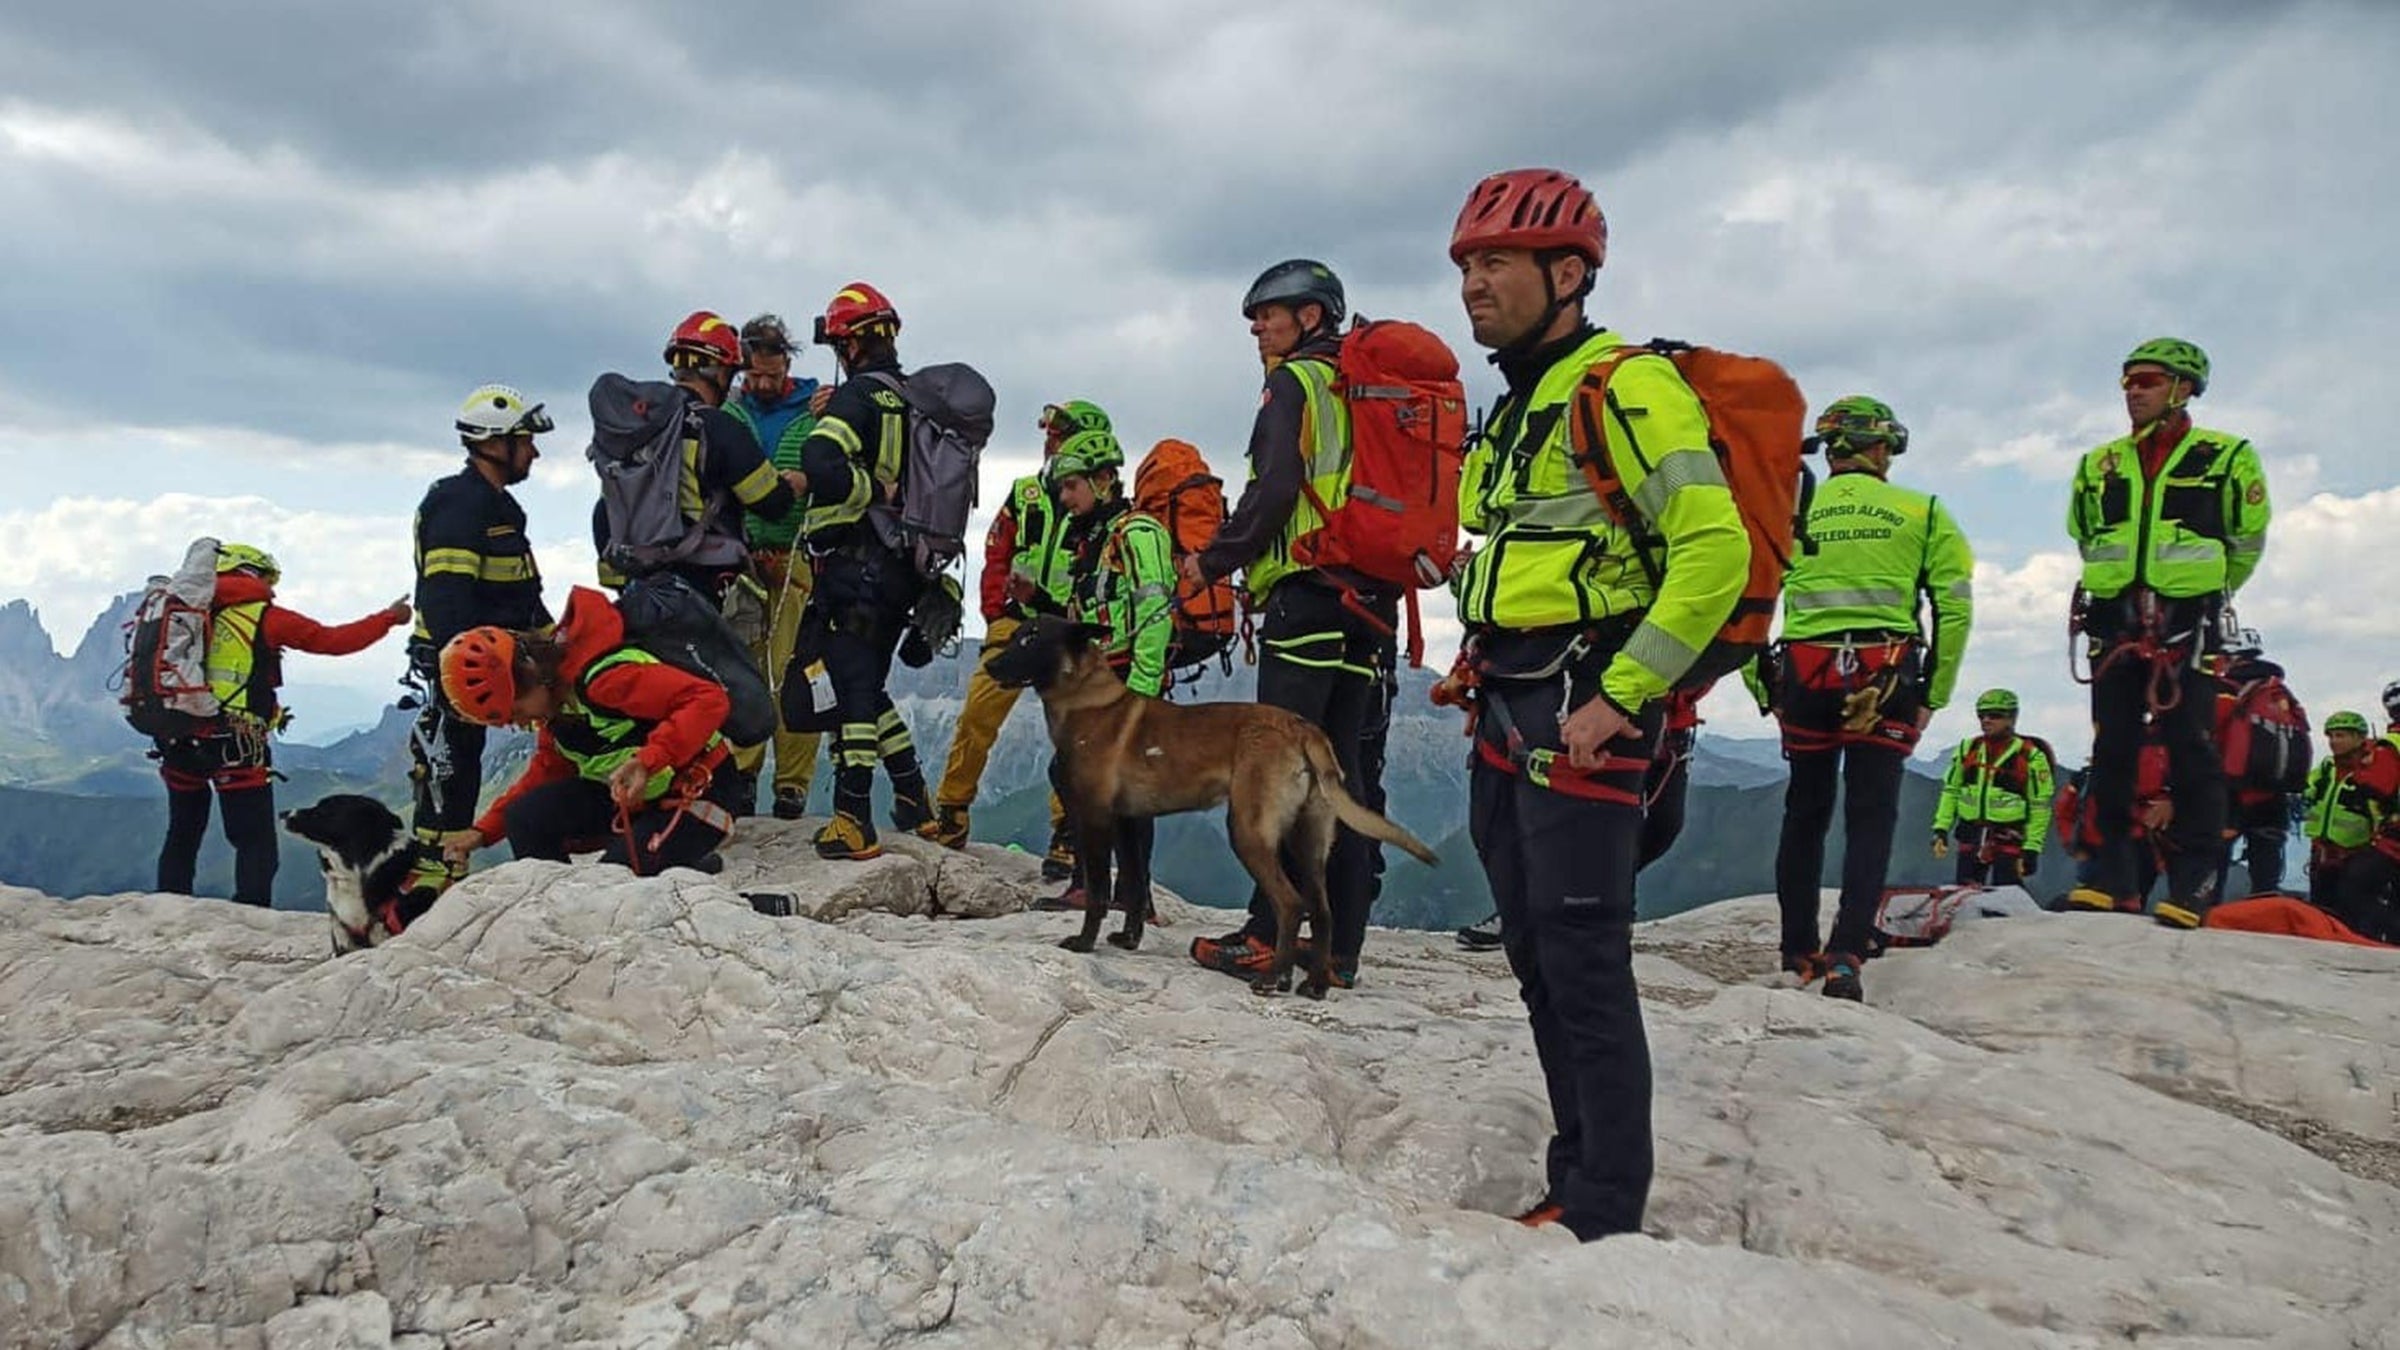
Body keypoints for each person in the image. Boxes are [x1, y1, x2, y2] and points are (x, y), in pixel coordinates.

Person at [1436, 168, 1749, 1241]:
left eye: (1496, 264)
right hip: (1514, 701)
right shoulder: (1528, 394)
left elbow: (1715, 548)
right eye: (1467, 265)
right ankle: (1578, 1174)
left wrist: (1624, 695)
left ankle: (1605, 1209)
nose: (1473, 284)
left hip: (1582, 710)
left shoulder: (1624, 386)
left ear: (1568, 274)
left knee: (1583, 966)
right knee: (1536, 956)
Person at [1182, 258, 1399, 988]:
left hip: (1308, 592)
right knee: (1346, 774)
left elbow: (1276, 487)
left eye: (1268, 313)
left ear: (1311, 317)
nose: (1255, 325)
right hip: (1369, 602)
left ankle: (1265, 934)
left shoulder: (1296, 382)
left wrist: (1215, 561)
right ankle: (1339, 950)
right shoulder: (1364, 387)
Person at [1754, 395, 1973, 1000]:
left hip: (1803, 676)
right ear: (1880, 448)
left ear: (1830, 450)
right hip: (1888, 679)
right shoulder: (1923, 511)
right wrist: (1936, 692)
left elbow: (1747, 599)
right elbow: (1953, 608)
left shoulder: (1787, 511)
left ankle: (1797, 950)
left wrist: (1761, 686)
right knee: (1871, 816)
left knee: (1805, 812)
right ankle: (1847, 955)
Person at [2064, 338, 2271, 929]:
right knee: (2112, 748)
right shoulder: (2099, 462)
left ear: (2183, 388)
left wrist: (2202, 593)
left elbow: (2247, 538)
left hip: (2188, 620)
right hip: (2114, 618)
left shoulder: (2227, 456)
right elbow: (2084, 532)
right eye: (2128, 381)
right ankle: (2110, 879)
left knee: (2192, 751)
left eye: (2148, 381)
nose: (2133, 390)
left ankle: (2195, 882)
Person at [591, 310, 805, 815]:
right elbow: (768, 500)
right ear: (723, 371)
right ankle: (710, 806)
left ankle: (644, 806)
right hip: (699, 596)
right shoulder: (715, 428)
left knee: (656, 703)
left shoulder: (634, 434)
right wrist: (794, 482)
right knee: (734, 704)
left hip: (636, 594)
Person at [155, 544, 409, 907]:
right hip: (236, 744)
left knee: (182, 832)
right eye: (268, 579)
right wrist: (388, 617)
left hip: (178, 738)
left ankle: (166, 910)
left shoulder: (184, 615)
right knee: (254, 841)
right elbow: (333, 641)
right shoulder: (263, 617)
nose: (271, 588)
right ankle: (250, 917)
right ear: (252, 574)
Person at [435, 586, 744, 875]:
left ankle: (754, 904)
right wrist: (481, 832)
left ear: (531, 674)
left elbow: (708, 699)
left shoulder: (606, 681)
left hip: (701, 788)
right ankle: (560, 905)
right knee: (524, 817)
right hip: (638, 797)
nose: (519, 723)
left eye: (515, 711)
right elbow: (545, 773)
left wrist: (648, 760)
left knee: (613, 884)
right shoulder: (555, 711)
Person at [788, 282, 938, 859]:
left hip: (854, 565)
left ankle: (853, 818)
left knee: (850, 689)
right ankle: (913, 799)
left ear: (848, 344)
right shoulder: (918, 399)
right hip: (905, 567)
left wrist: (866, 486)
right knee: (869, 686)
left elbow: (818, 461)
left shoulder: (857, 400)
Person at [403, 383, 555, 901]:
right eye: (525, 440)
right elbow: (448, 603)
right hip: (464, 665)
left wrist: (556, 648)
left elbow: (523, 596)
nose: (533, 450)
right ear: (496, 443)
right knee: (450, 772)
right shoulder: (457, 504)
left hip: (499, 661)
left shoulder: (501, 509)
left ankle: (448, 876)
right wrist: (467, 673)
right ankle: (432, 883)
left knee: (462, 770)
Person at [931, 400, 1095, 869]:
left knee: (1072, 731)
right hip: (1016, 621)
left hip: (1067, 628)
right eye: (1049, 434)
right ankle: (953, 810)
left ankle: (1067, 831)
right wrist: (996, 614)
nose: (1051, 442)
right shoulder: (1025, 494)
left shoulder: (1097, 506)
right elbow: (996, 550)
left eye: (1061, 434)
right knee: (978, 713)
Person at [1031, 424, 1177, 911]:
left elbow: (1155, 612)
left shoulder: (1136, 533)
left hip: (1127, 685)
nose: (1066, 497)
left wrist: (1142, 693)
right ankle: (1130, 895)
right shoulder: (1093, 539)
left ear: (1103, 480)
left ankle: (1108, 889)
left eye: (1072, 485)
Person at [1455, 683, 1707, 951]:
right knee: (1590, 824)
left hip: (1663, 718)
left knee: (1662, 826)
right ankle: (1529, 910)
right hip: (1608, 709)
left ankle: (1582, 907)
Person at [723, 313, 825, 821]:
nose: (763, 384)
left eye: (771, 374)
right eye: (754, 375)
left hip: (796, 561)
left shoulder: (816, 409)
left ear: (788, 363)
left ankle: (792, 785)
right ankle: (741, 775)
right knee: (743, 672)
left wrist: (810, 476)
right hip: (740, 560)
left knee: (793, 674)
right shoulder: (729, 411)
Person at [1930, 689, 2055, 887]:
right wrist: (1941, 829)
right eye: (1982, 715)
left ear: (2012, 718)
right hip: (1970, 833)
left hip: (2010, 837)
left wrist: (2032, 848)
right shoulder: (1967, 749)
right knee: (1965, 896)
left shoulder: (2031, 756)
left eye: (1995, 715)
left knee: (2007, 897)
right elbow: (1951, 791)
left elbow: (2039, 805)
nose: (1986, 720)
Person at [2297, 711, 2400, 942]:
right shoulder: (2325, 769)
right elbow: (2306, 791)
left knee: (2353, 913)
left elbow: (2383, 807)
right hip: (2322, 856)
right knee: (2321, 917)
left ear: (2359, 737)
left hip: (2357, 853)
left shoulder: (2371, 771)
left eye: (2341, 735)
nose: (2334, 742)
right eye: (2331, 736)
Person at [2211, 630, 2297, 897]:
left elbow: (2208, 735)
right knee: (2266, 875)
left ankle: (2201, 914)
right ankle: (2265, 920)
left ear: (2229, 656)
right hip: (2273, 792)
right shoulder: (2279, 693)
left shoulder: (2224, 690)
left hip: (2230, 790)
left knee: (2211, 862)